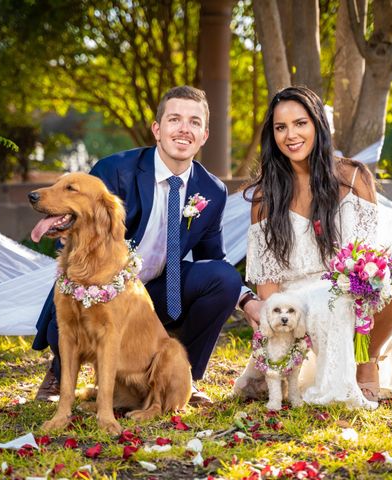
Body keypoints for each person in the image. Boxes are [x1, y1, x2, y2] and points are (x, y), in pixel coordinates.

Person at [33, 85, 257, 404]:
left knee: (222, 278)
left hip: (158, 296)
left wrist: (247, 301)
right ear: (157, 129)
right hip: (101, 289)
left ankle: (181, 378)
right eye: (174, 119)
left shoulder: (212, 190)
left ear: (204, 135)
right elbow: (79, 238)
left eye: (194, 122)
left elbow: (213, 258)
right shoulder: (114, 171)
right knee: (73, 303)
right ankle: (59, 371)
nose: (184, 129)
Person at [241, 86, 392, 407]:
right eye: (281, 127)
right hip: (300, 299)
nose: (291, 134)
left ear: (318, 123)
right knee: (327, 302)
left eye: (300, 123)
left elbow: (371, 255)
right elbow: (268, 282)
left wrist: (356, 281)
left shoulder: (353, 176)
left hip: (349, 285)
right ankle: (330, 373)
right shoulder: (265, 195)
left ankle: (366, 361)